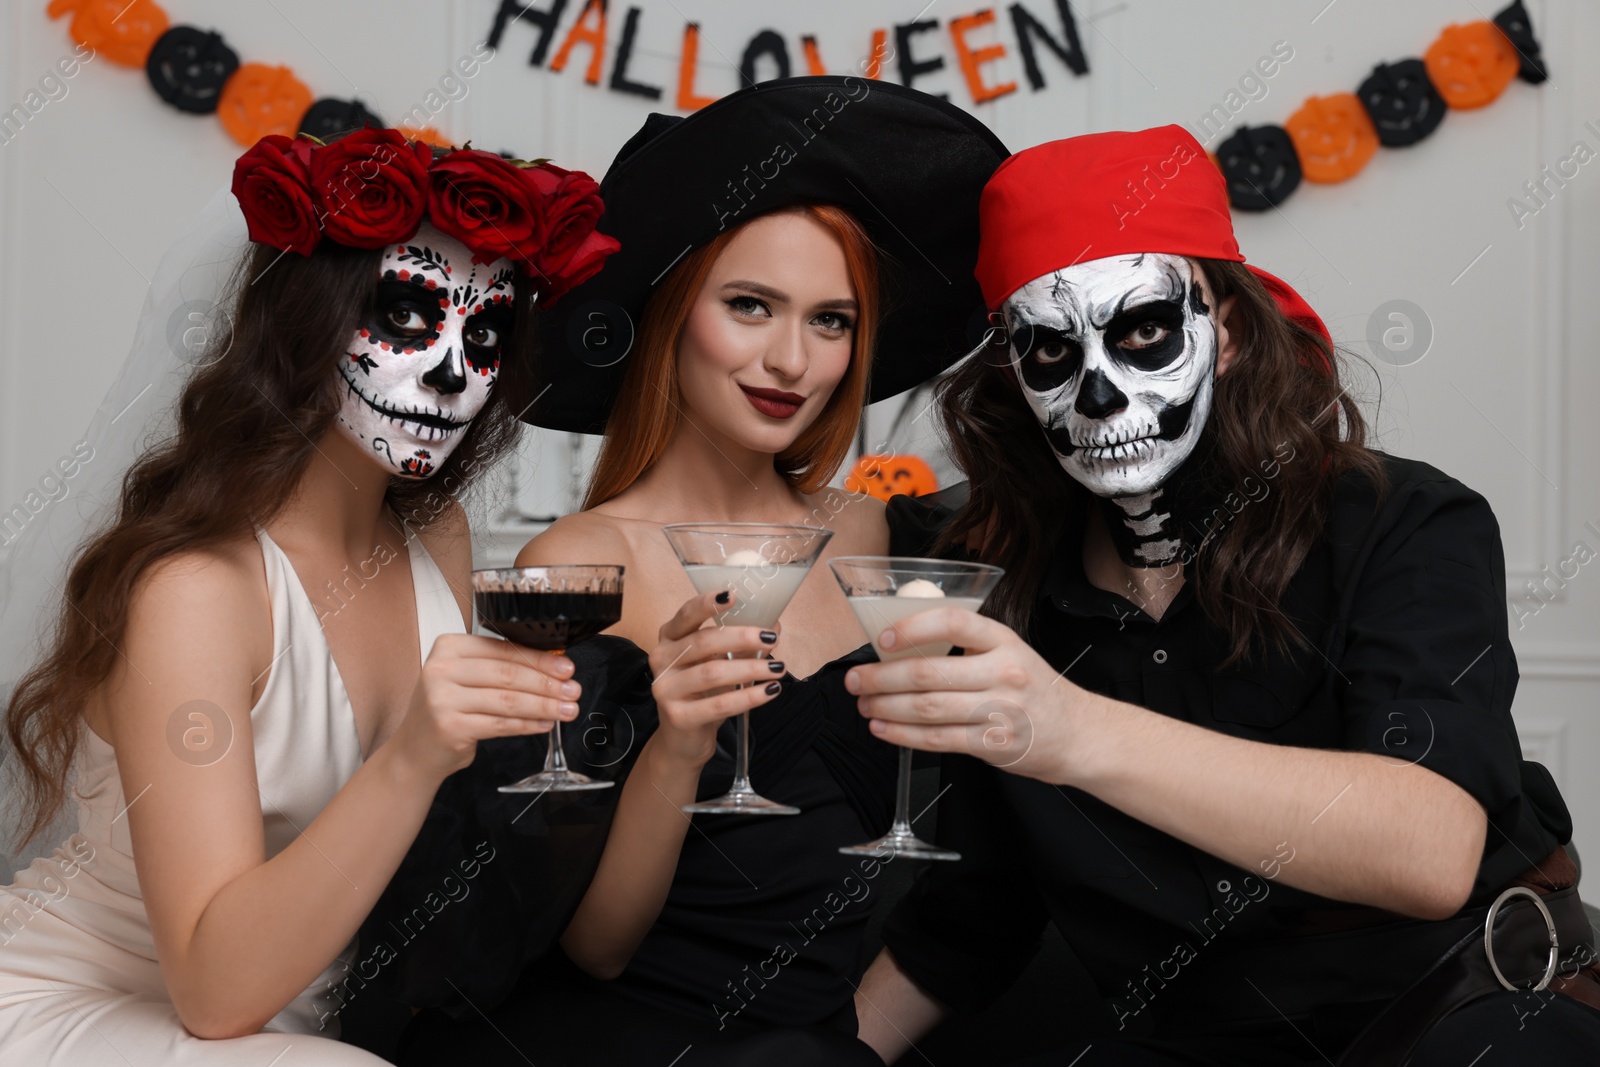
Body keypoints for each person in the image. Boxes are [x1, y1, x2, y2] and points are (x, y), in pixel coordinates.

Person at [843, 127, 1600, 1064]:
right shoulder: (1004, 585)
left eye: (1144, 331)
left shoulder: (1404, 521)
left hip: (1467, 1013)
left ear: (1229, 332)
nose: (1101, 398)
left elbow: (1429, 847)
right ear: (1015, 377)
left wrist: (1070, 729)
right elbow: (969, 926)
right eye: (1050, 352)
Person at [358, 76, 1008, 1066]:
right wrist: (675, 746)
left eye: (830, 320)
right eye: (750, 305)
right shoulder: (580, 560)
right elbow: (596, 946)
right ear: (672, 313)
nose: (791, 358)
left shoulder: (880, 529)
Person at [0, 127, 615, 1064]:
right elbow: (213, 996)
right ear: (305, 325)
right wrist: (413, 755)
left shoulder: (432, 539)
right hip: (97, 1005)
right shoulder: (197, 590)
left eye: (484, 333)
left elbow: (439, 866)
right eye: (407, 316)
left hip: (310, 1020)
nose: (454, 373)